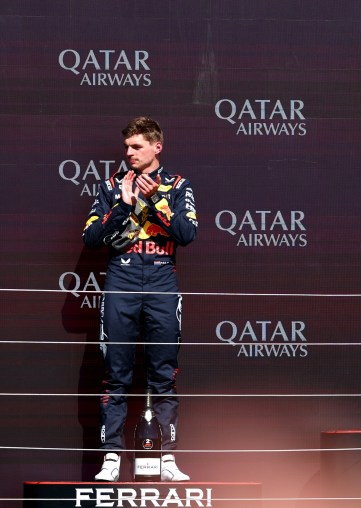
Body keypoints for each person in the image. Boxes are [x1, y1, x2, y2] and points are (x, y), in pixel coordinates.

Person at [83, 117, 198, 481]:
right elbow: (91, 238)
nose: (128, 153)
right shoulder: (110, 186)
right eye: (127, 147)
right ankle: (111, 458)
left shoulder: (178, 185)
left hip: (162, 282)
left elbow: (186, 233)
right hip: (122, 281)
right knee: (115, 373)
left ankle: (167, 459)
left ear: (156, 147)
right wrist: (123, 205)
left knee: (164, 374)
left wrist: (151, 204)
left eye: (136, 147)